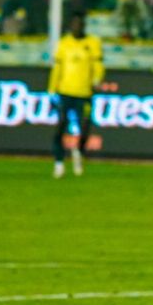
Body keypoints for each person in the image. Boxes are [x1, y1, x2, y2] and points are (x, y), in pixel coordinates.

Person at [48, 11, 103, 179]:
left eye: (80, 24)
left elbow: (98, 65)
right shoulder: (64, 44)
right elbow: (57, 68)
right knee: (60, 127)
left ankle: (78, 152)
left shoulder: (92, 42)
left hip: (84, 92)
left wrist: (97, 80)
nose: (77, 27)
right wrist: (51, 89)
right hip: (65, 91)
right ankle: (59, 163)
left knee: (84, 127)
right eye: (74, 24)